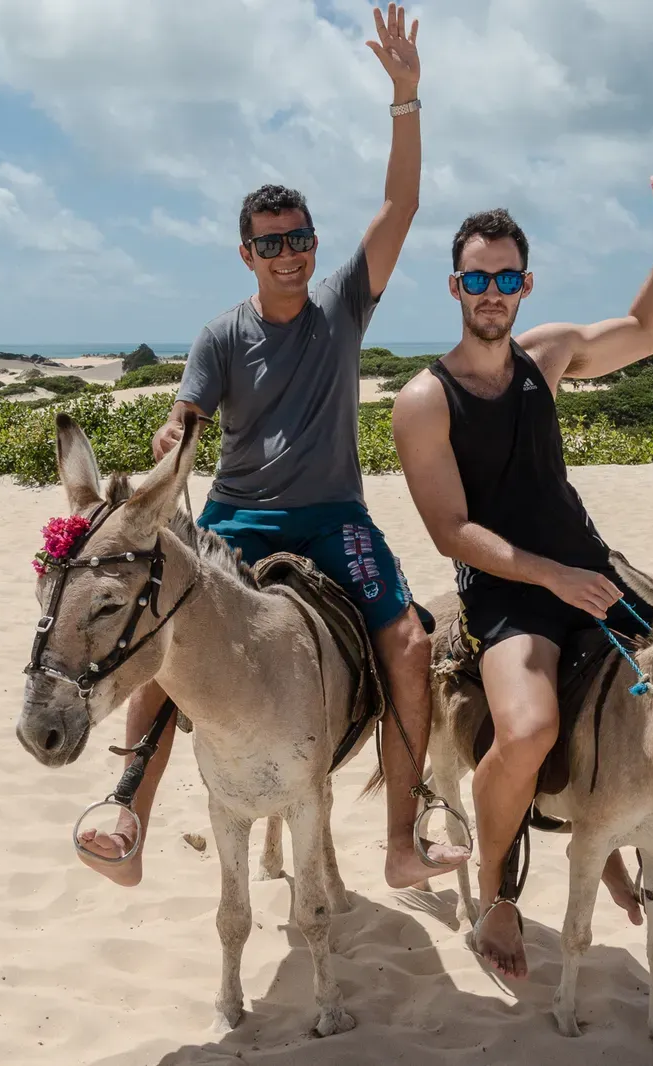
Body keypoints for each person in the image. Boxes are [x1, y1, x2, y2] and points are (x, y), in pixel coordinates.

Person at [76, 4, 470, 892]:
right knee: (162, 634)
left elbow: (402, 204)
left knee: (408, 643)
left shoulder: (341, 306)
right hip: (234, 518)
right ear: (246, 253)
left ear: (313, 244)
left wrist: (406, 98)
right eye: (271, 245)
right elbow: (186, 416)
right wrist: (173, 434)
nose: (289, 254)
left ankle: (404, 836)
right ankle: (128, 805)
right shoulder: (220, 335)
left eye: (300, 240)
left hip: (335, 518)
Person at [390, 176, 653, 978]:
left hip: (591, 570)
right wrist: (549, 578)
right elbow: (450, 531)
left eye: (506, 278)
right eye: (476, 278)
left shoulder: (548, 355)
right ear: (455, 286)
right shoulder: (425, 400)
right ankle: (496, 895)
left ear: (524, 285)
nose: (491, 293)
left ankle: (612, 842)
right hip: (507, 592)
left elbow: (648, 328)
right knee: (527, 730)